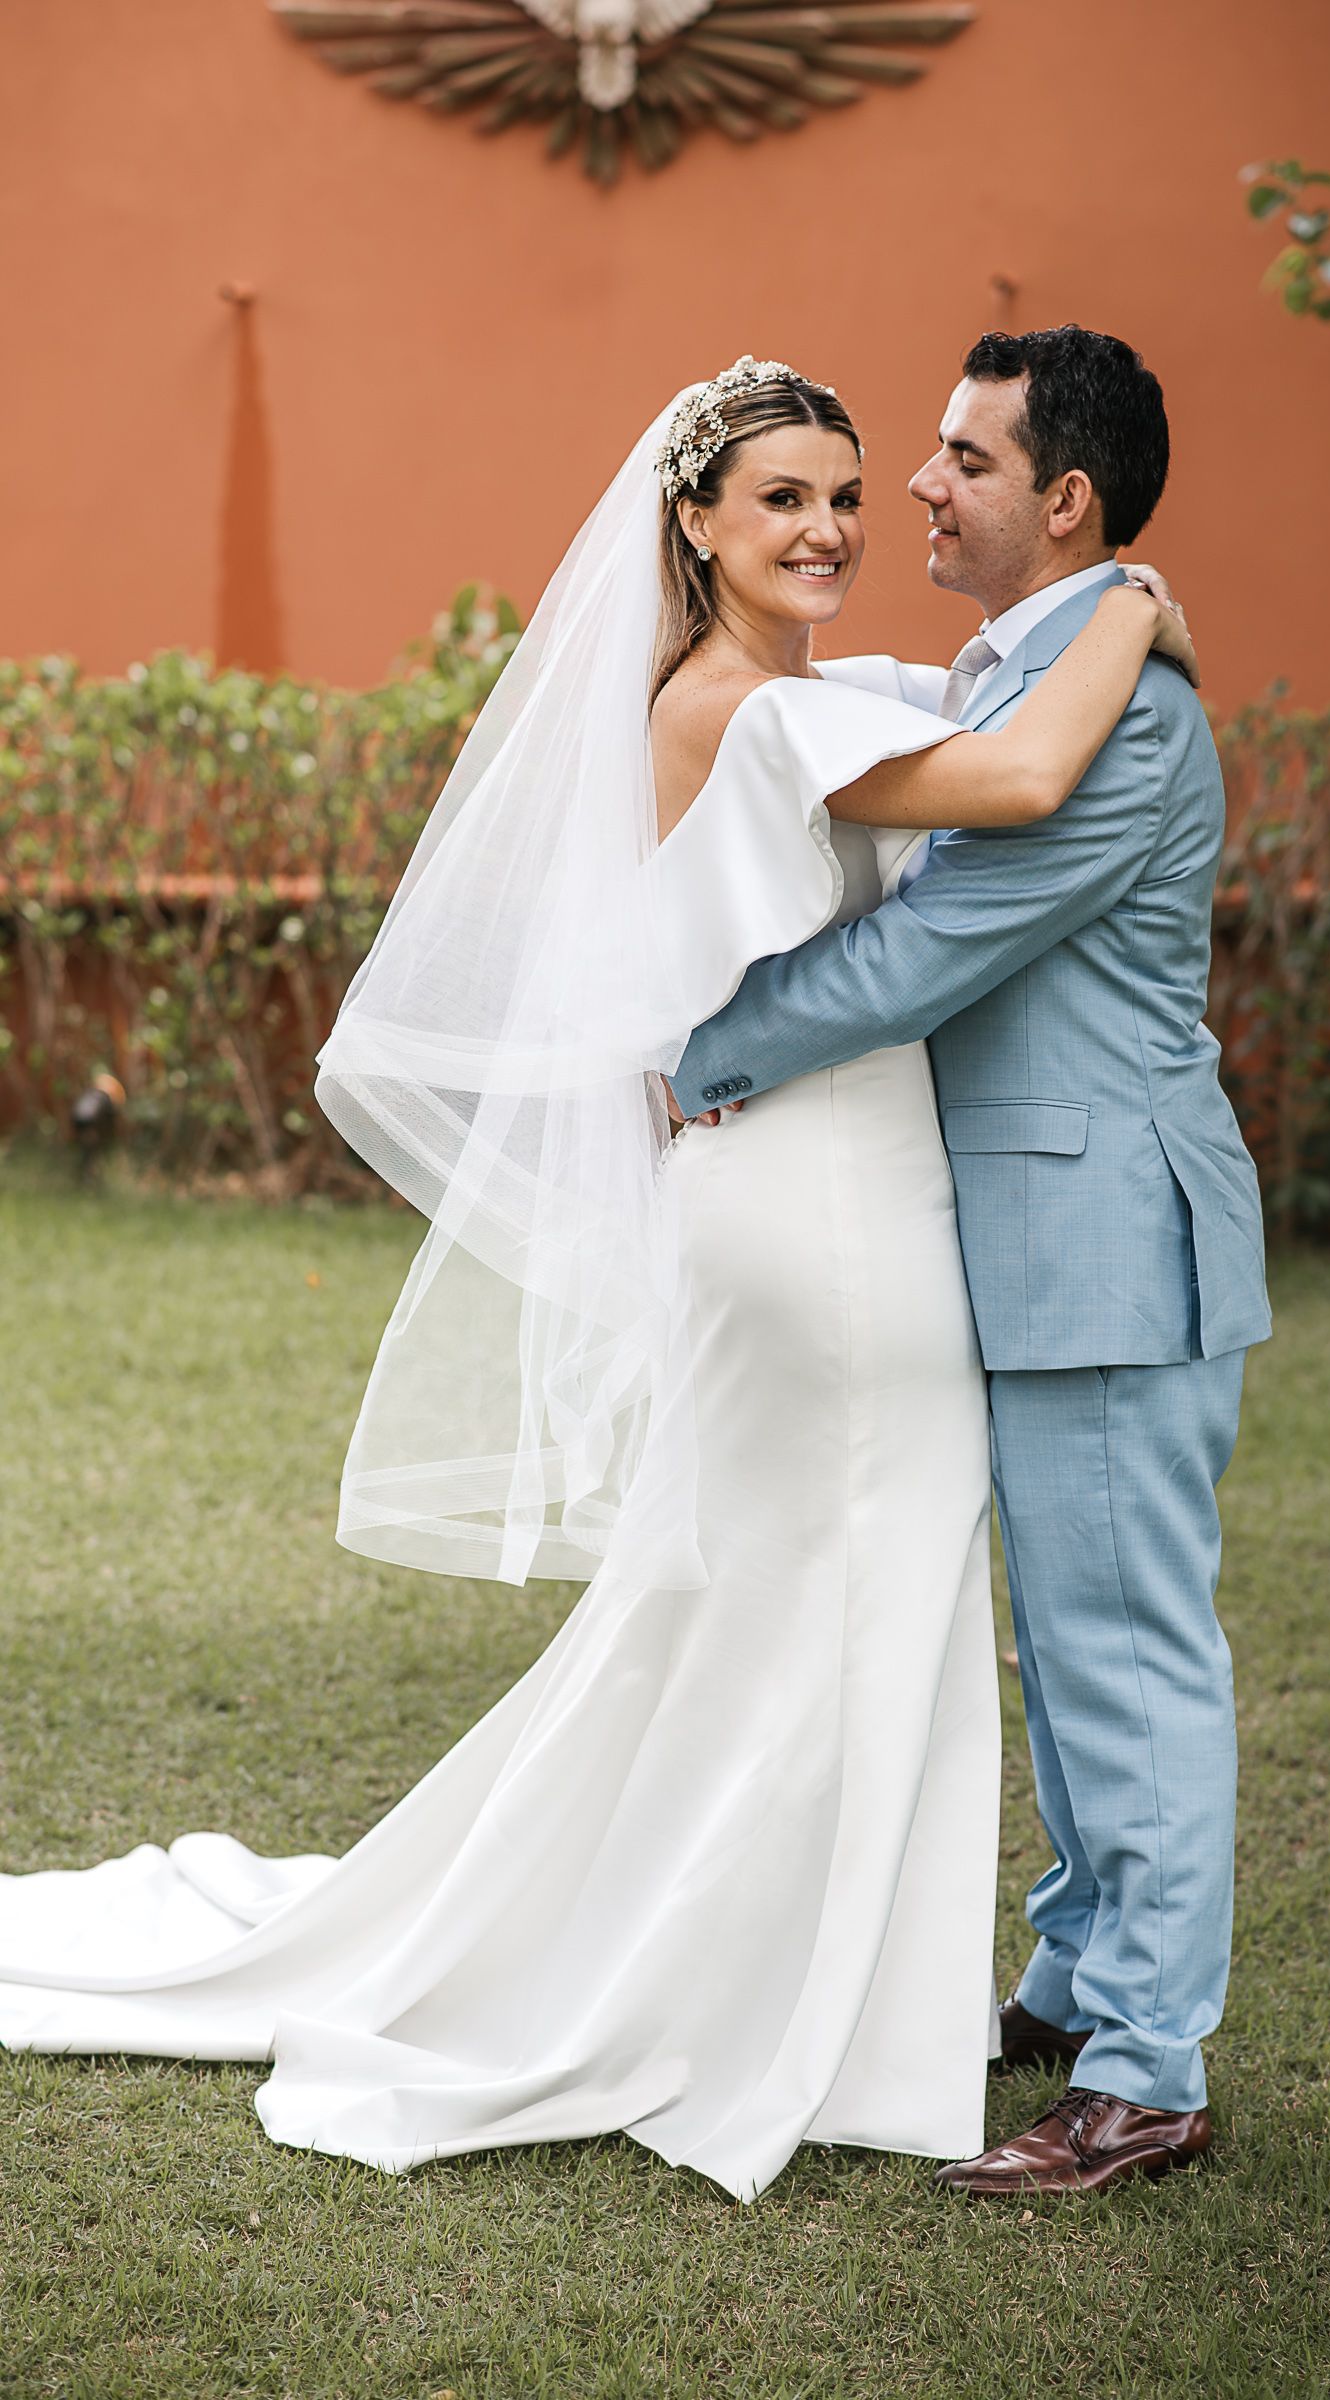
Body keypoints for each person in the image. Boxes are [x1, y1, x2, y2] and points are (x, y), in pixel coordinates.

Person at [0, 356, 1195, 2204]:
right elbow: (1024, 762)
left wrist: (1074, 617)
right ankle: (770, 1985)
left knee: (788, 1590)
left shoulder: (763, 699)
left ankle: (805, 1962)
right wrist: (1129, 599)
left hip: (806, 1194)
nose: (830, 528)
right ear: (694, 521)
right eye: (780, 498)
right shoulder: (772, 717)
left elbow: (955, 693)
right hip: (819, 1210)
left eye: (851, 496)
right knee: (843, 1577)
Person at [672, 328, 1273, 2198]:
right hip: (1043, 1227)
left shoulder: (1120, 719)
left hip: (1106, 1233)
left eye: (956, 460)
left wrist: (712, 1044)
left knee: (1122, 1652)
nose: (914, 490)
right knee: (1071, 1636)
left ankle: (1147, 2071)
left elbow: (939, 949)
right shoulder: (1036, 666)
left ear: (1061, 501)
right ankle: (1078, 1976)